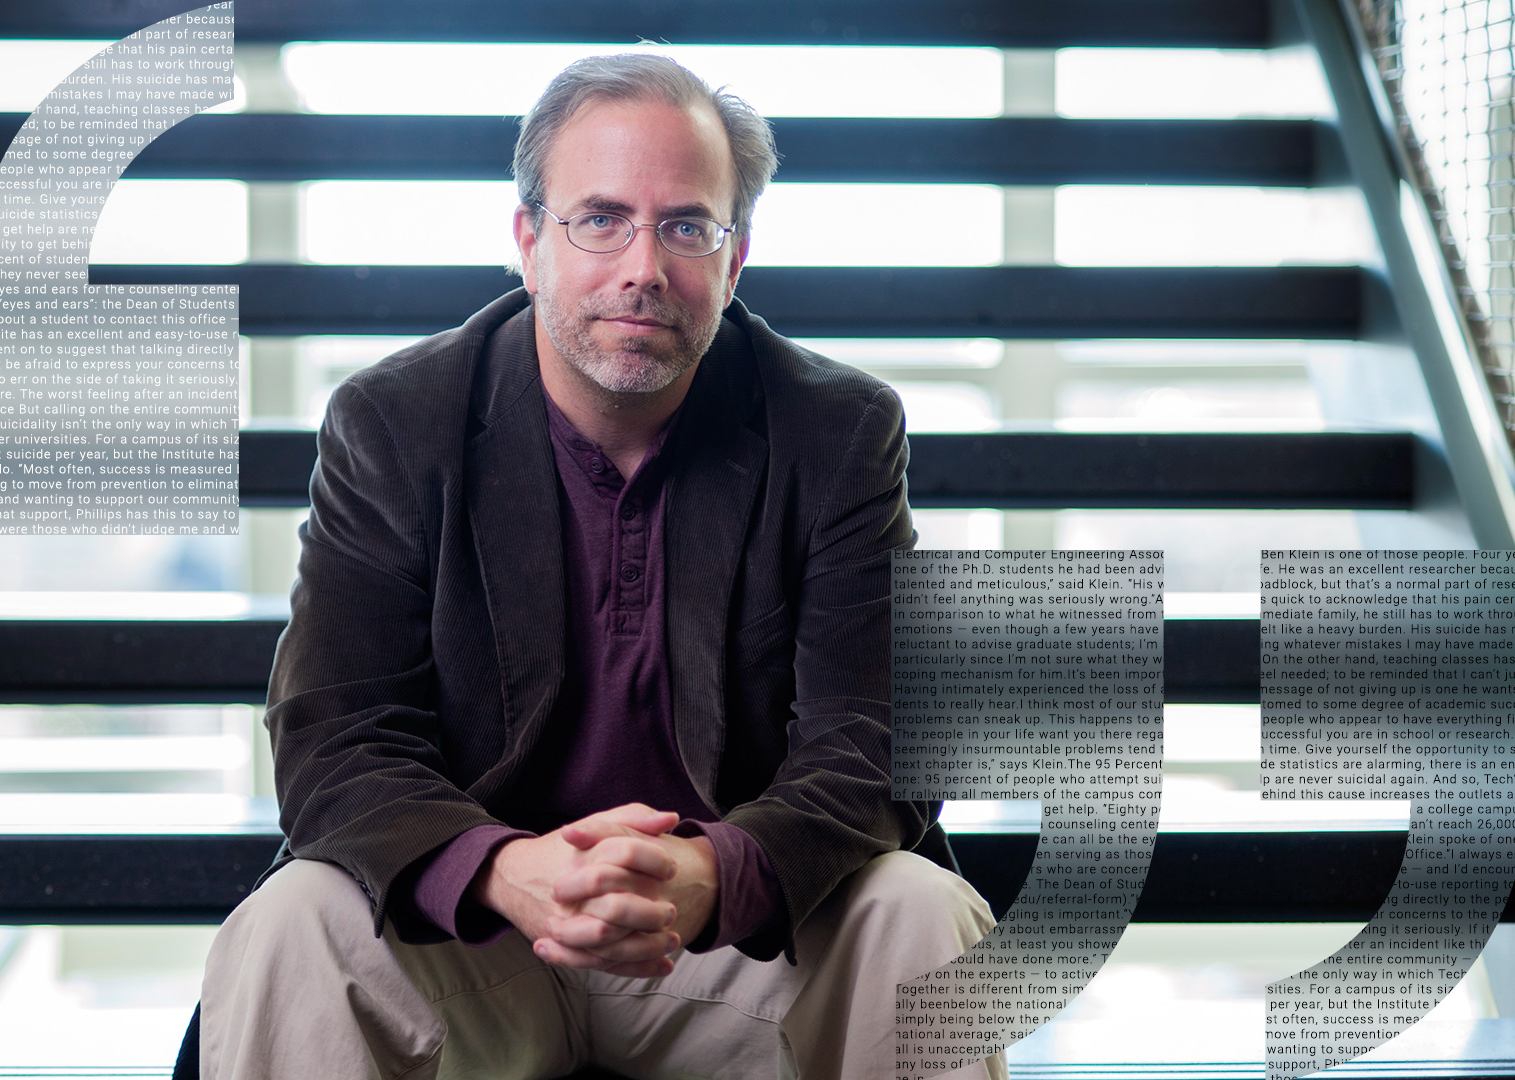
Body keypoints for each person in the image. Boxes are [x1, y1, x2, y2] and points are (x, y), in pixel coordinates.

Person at [190, 54, 1000, 1080]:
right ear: (529, 242)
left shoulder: (836, 429)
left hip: (734, 945)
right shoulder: (395, 423)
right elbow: (338, 737)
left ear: (736, 258)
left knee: (920, 911)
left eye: (685, 225)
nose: (643, 267)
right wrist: (503, 870)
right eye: (601, 218)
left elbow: (878, 739)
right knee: (294, 918)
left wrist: (714, 872)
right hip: (479, 941)